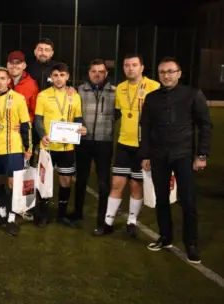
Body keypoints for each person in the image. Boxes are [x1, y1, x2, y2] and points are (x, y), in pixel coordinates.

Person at [140, 57, 212, 264]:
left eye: (171, 71)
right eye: (162, 72)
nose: (166, 75)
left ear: (179, 73)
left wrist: (201, 155)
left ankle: (191, 244)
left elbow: (205, 126)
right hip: (158, 156)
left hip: (184, 156)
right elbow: (145, 127)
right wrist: (145, 155)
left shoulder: (193, 94)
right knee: (161, 199)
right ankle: (165, 237)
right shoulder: (152, 98)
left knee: (188, 202)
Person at [97, 54, 160, 237]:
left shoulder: (153, 87)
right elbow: (116, 112)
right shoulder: (120, 89)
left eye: (134, 65)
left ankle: (131, 222)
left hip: (144, 145)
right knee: (117, 183)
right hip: (124, 143)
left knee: (136, 185)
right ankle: (107, 222)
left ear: (142, 67)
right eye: (126, 65)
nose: (130, 68)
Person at [34, 63, 87, 228]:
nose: (58, 78)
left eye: (62, 75)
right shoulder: (43, 95)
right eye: (55, 75)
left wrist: (82, 127)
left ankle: (61, 215)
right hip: (48, 146)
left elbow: (78, 119)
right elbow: (38, 120)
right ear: (51, 77)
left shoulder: (75, 96)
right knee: (44, 181)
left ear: (67, 77)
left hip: (67, 147)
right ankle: (42, 214)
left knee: (66, 180)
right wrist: (42, 136)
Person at [0, 67, 32, 235]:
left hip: (13, 147)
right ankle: (2, 213)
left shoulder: (18, 98)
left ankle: (11, 219)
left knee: (13, 183)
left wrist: (28, 148)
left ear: (8, 81)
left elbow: (26, 124)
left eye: (2, 78)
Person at [73, 59, 117, 233]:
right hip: (83, 141)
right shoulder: (79, 91)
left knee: (103, 181)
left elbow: (118, 113)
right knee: (81, 178)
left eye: (101, 71)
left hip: (104, 141)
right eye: (94, 71)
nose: (97, 74)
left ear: (106, 73)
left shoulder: (115, 92)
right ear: (88, 73)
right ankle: (77, 212)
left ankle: (102, 218)